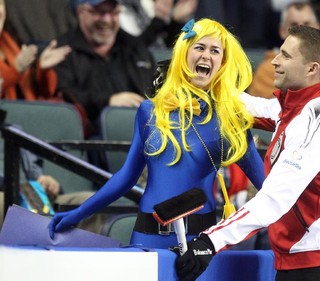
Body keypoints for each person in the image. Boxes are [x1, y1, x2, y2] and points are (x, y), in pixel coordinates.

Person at [48, 18, 265, 249]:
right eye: (199, 47)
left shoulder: (230, 118)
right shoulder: (149, 111)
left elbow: (268, 188)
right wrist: (79, 213)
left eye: (215, 51)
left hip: (198, 241)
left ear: (222, 63)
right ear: (183, 54)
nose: (206, 55)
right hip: (146, 235)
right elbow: (126, 177)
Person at [176, 25, 320, 281]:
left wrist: (211, 241)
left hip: (319, 267)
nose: (275, 62)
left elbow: (274, 198)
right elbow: (247, 106)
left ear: (312, 69)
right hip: (301, 262)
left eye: (286, 55)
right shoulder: (294, 108)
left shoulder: (317, 121)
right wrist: (193, 83)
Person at [54, 0, 156, 137]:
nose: (107, 19)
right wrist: (108, 101)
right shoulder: (63, 51)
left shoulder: (135, 47)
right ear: (80, 11)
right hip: (90, 139)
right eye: (99, 12)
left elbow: (159, 88)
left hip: (144, 135)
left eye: (113, 12)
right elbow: (65, 97)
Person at [0, 0, 71, 100]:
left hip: (27, 112)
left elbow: (43, 92)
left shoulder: (9, 40)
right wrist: (16, 70)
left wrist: (43, 70)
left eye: (0, 4)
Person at [119, 0, 198, 48]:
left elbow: (165, 49)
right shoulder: (116, 7)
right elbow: (131, 50)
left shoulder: (152, 4)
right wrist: (158, 21)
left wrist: (177, 22)